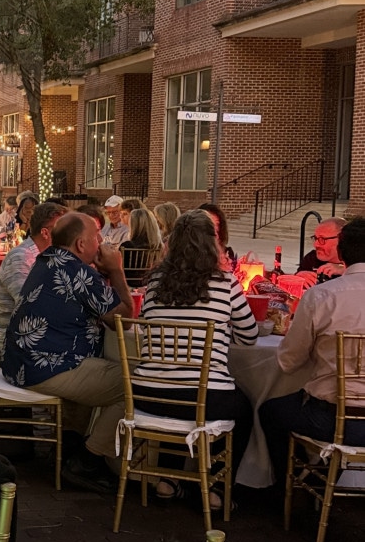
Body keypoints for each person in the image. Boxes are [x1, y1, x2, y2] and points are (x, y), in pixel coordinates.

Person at [1, 211, 132, 494]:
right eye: (96, 237)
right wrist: (117, 270)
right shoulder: (77, 270)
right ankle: (87, 460)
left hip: (22, 360)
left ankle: (69, 449)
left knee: (91, 366)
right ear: (81, 245)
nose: (101, 242)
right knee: (134, 386)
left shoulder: (46, 260)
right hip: (45, 365)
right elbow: (123, 318)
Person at [137, 209, 257, 503]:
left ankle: (168, 478)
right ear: (211, 244)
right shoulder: (226, 283)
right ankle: (217, 488)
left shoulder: (154, 282)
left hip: (146, 393)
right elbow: (250, 336)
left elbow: (144, 329)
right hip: (203, 396)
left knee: (175, 388)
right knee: (244, 408)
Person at [259, 217, 365, 482]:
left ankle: (292, 483)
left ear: (341, 252)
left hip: (329, 418)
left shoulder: (322, 296)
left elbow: (288, 362)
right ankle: (323, 479)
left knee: (269, 410)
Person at [0, 202, 66, 352]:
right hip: (19, 341)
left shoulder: (49, 256)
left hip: (39, 333)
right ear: (46, 233)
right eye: (63, 230)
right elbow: (30, 303)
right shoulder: (21, 257)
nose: (68, 234)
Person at [295, 217, 347, 286]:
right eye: (315, 238)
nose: (315, 244)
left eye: (322, 239)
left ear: (341, 239)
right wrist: (297, 277)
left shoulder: (356, 259)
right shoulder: (312, 259)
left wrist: (346, 270)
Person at [119, 207, 164, 287]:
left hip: (128, 285)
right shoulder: (158, 247)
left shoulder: (127, 247)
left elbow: (118, 270)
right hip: (150, 284)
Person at [198, 203, 237, 271]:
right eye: (210, 224)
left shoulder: (227, 253)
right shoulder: (191, 256)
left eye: (217, 224)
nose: (215, 229)